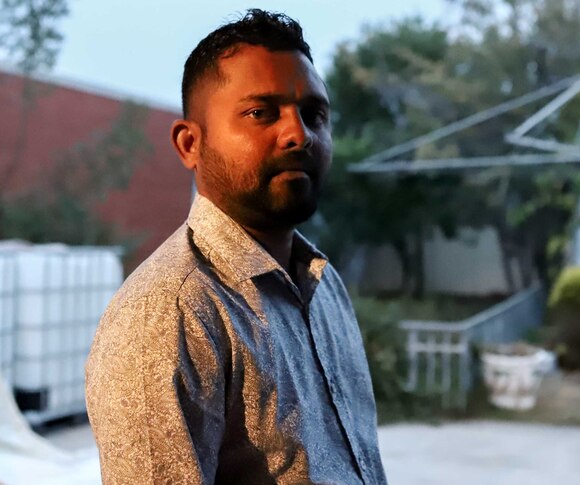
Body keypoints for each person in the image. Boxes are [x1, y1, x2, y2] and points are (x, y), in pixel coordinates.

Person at [85, 9, 387, 484]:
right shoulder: (171, 310)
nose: (298, 134)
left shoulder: (323, 284)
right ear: (189, 145)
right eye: (260, 112)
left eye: (314, 114)